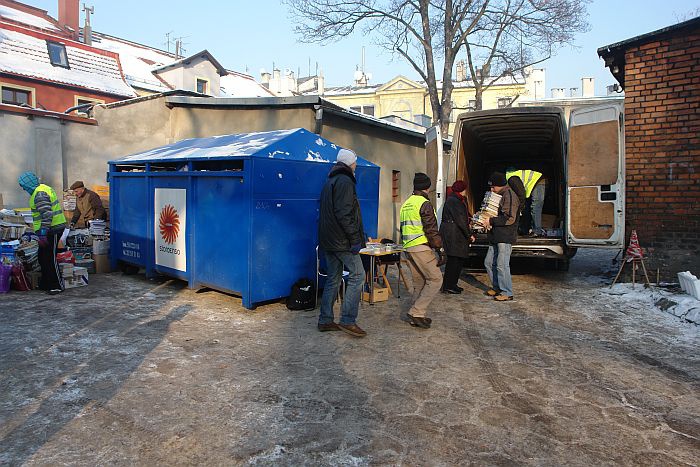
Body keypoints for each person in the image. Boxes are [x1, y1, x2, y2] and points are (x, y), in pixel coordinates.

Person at [317, 148, 367, 337]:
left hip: (329, 240)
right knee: (358, 275)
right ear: (349, 163)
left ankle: (325, 320)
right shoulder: (345, 181)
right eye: (354, 162)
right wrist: (355, 239)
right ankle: (347, 320)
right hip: (341, 241)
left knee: (334, 278)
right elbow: (344, 213)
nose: (356, 165)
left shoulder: (330, 180)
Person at [400, 173, 445, 329]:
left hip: (408, 247)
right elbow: (431, 229)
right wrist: (440, 249)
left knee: (419, 282)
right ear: (427, 187)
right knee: (436, 279)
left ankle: (416, 317)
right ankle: (417, 312)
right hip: (421, 246)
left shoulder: (407, 203)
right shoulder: (424, 203)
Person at [18, 172, 68, 295]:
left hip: (52, 229)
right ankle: (46, 283)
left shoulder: (39, 194)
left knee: (49, 258)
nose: (24, 188)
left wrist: (43, 232)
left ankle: (56, 285)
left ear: (29, 184)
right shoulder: (40, 190)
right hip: (48, 229)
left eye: (23, 186)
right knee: (42, 257)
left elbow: (47, 214)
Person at [484, 172, 520, 301]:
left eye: (493, 187)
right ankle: (497, 287)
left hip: (505, 236)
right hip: (496, 235)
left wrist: (491, 221)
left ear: (500, 185)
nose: (492, 190)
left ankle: (507, 292)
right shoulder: (501, 194)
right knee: (489, 262)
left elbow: (510, 218)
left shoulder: (509, 195)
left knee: (501, 264)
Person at [439, 180, 472, 294]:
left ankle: (453, 284)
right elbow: (461, 220)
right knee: (454, 260)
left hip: (455, 234)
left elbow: (464, 216)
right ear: (462, 190)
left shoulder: (456, 199)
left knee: (457, 260)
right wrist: (469, 235)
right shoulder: (454, 201)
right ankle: (448, 285)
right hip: (453, 235)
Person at [506, 168, 545, 236]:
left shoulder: (512, 179)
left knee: (535, 207)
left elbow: (521, 194)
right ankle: (525, 229)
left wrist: (520, 207)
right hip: (534, 182)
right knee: (528, 207)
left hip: (538, 181)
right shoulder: (510, 179)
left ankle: (537, 231)